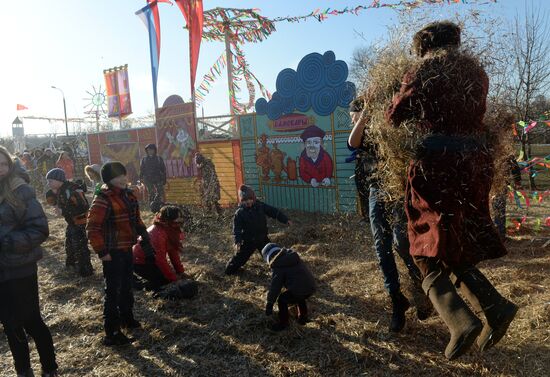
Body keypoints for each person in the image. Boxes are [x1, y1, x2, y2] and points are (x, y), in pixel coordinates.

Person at [386, 21, 518, 360]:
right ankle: (496, 308)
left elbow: (394, 116)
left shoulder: (425, 69)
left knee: (420, 243)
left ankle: (459, 320)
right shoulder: (476, 70)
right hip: (475, 164)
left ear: (425, 47)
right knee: (452, 241)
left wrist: (390, 99)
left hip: (438, 164)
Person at [348, 97, 429, 332]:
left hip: (396, 189)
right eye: (353, 118)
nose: (353, 121)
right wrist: (362, 117)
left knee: (401, 241)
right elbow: (352, 142)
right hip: (376, 192)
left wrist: (367, 112)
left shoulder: (387, 129)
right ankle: (396, 300)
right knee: (381, 246)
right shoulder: (363, 135)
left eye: (354, 116)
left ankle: (423, 287)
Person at [0, 146, 58, 377]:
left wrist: (6, 242)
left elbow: (39, 229)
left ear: (10, 166)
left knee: (31, 320)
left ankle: (50, 368)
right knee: (10, 324)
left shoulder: (21, 191)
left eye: (3, 164)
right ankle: (23, 371)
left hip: (20, 268)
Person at [87, 161, 155, 346]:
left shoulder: (128, 195)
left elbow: (136, 218)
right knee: (113, 291)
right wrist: (102, 252)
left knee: (126, 286)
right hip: (112, 251)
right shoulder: (103, 198)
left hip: (127, 248)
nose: (122, 179)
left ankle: (127, 318)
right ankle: (112, 332)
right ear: (109, 180)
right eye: (117, 177)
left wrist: (144, 235)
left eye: (123, 175)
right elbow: (93, 228)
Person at [225, 185, 291, 275]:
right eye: (244, 200)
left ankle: (278, 271)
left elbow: (273, 212)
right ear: (241, 201)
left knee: (272, 255)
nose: (248, 202)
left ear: (254, 198)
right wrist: (238, 241)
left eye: (249, 199)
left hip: (262, 239)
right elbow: (237, 229)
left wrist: (285, 219)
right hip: (248, 241)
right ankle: (229, 270)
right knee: (239, 259)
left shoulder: (260, 206)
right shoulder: (240, 213)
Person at [45, 168, 94, 277]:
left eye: (50, 181)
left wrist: (64, 211)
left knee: (80, 246)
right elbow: (51, 201)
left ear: (59, 180)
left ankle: (85, 271)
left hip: (80, 222)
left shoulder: (71, 190)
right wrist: (52, 194)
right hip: (72, 222)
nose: (48, 183)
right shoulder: (59, 190)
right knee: (70, 244)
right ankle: (72, 266)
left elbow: (84, 206)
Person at [262, 243, 316, 331]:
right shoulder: (292, 256)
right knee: (299, 295)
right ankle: (303, 317)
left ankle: (284, 323)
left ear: (269, 257)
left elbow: (275, 287)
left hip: (299, 289)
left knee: (282, 299)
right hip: (311, 286)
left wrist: (270, 303)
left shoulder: (278, 266)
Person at [133, 205, 187, 290]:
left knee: (168, 276)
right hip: (141, 263)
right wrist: (174, 279)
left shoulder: (170, 229)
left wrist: (180, 271)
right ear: (169, 219)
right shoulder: (159, 233)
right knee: (164, 281)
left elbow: (173, 252)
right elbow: (160, 260)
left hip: (151, 260)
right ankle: (139, 284)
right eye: (178, 217)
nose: (181, 220)